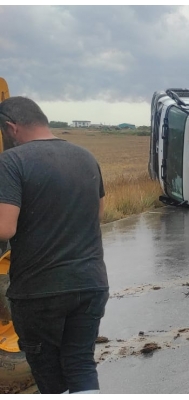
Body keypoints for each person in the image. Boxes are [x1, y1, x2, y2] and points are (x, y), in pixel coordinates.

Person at [0, 97, 108, 394]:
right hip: (91, 284)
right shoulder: (85, 156)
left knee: (48, 375)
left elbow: (4, 227)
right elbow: (97, 214)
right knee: (80, 364)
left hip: (39, 291)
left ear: (11, 127)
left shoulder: (11, 162)